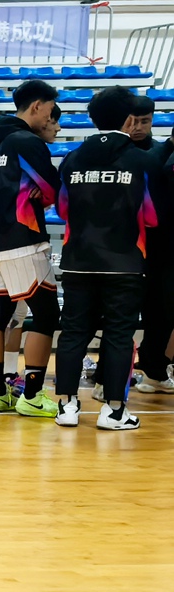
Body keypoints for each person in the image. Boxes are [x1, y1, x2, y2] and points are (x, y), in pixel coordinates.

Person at [53, 85, 159, 430]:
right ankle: (114, 412)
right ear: (129, 119)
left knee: (72, 332)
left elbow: (62, 208)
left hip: (77, 261)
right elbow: (152, 217)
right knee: (118, 335)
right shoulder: (142, 161)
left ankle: (66, 407)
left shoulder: (72, 158)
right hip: (125, 263)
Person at [0, 79, 62, 415]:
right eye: (50, 110)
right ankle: (32, 396)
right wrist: (35, 193)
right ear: (37, 106)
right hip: (24, 239)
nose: (50, 118)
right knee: (46, 314)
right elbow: (54, 188)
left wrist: (5, 194)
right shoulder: (27, 141)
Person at [133, 98, 174, 393]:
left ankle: (153, 370)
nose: (138, 127)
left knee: (162, 311)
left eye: (145, 121)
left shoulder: (164, 154)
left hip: (161, 246)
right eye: (133, 120)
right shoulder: (113, 153)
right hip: (123, 245)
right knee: (119, 313)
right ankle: (106, 376)